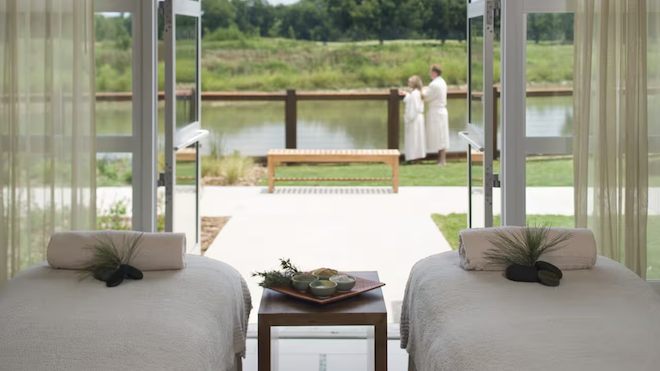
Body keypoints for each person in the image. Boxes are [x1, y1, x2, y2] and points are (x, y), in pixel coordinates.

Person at [423, 64, 449, 165]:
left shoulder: (434, 84)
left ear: (434, 73)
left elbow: (426, 96)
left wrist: (421, 90)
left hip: (436, 112)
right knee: (441, 135)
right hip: (440, 111)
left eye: (430, 72)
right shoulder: (441, 82)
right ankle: (441, 159)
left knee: (440, 136)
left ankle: (442, 160)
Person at [400, 76, 426, 163]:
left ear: (414, 83)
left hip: (414, 119)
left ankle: (414, 158)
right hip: (418, 118)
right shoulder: (417, 93)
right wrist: (406, 94)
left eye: (410, 82)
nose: (408, 84)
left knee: (414, 139)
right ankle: (416, 158)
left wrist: (408, 118)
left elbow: (413, 108)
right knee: (417, 138)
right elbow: (411, 100)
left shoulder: (415, 93)